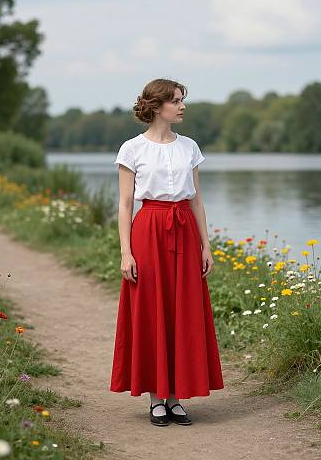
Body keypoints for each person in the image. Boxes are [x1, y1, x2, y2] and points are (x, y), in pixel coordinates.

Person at [109, 78, 224, 427]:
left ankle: (175, 399)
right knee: (151, 310)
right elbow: (126, 204)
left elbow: (196, 199)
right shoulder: (132, 149)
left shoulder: (190, 147)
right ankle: (156, 398)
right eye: (176, 101)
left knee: (182, 311)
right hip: (149, 231)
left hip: (185, 230)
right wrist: (126, 253)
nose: (182, 106)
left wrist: (207, 245)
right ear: (157, 106)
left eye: (182, 100)